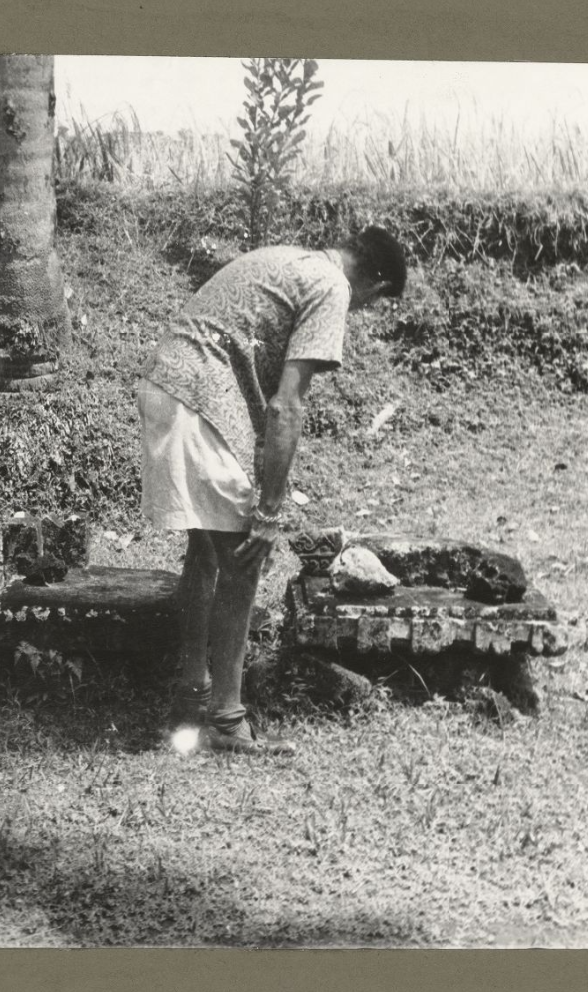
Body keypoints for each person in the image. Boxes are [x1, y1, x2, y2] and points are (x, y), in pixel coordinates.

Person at [138, 228, 407, 754]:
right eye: (374, 303)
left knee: (205, 551)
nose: (363, 310)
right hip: (199, 399)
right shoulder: (332, 286)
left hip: (166, 385)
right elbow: (286, 406)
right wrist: (269, 511)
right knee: (244, 557)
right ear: (375, 285)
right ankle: (225, 720)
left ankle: (193, 697)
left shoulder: (292, 259)